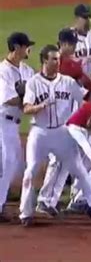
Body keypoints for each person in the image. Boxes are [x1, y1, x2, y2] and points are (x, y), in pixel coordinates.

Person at [19, 45, 91, 226]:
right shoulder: (34, 82)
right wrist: (39, 107)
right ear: (44, 60)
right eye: (53, 59)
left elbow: (84, 101)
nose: (57, 62)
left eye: (58, 59)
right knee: (31, 171)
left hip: (62, 132)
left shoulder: (67, 82)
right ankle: (25, 213)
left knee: (79, 170)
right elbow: (26, 108)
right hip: (40, 132)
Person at [0, 32, 35, 222]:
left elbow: (35, 91)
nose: (28, 49)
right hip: (2, 122)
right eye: (25, 46)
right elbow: (9, 99)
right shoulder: (2, 71)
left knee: (13, 165)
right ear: (16, 47)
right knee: (8, 164)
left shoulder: (27, 70)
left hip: (12, 124)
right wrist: (25, 98)